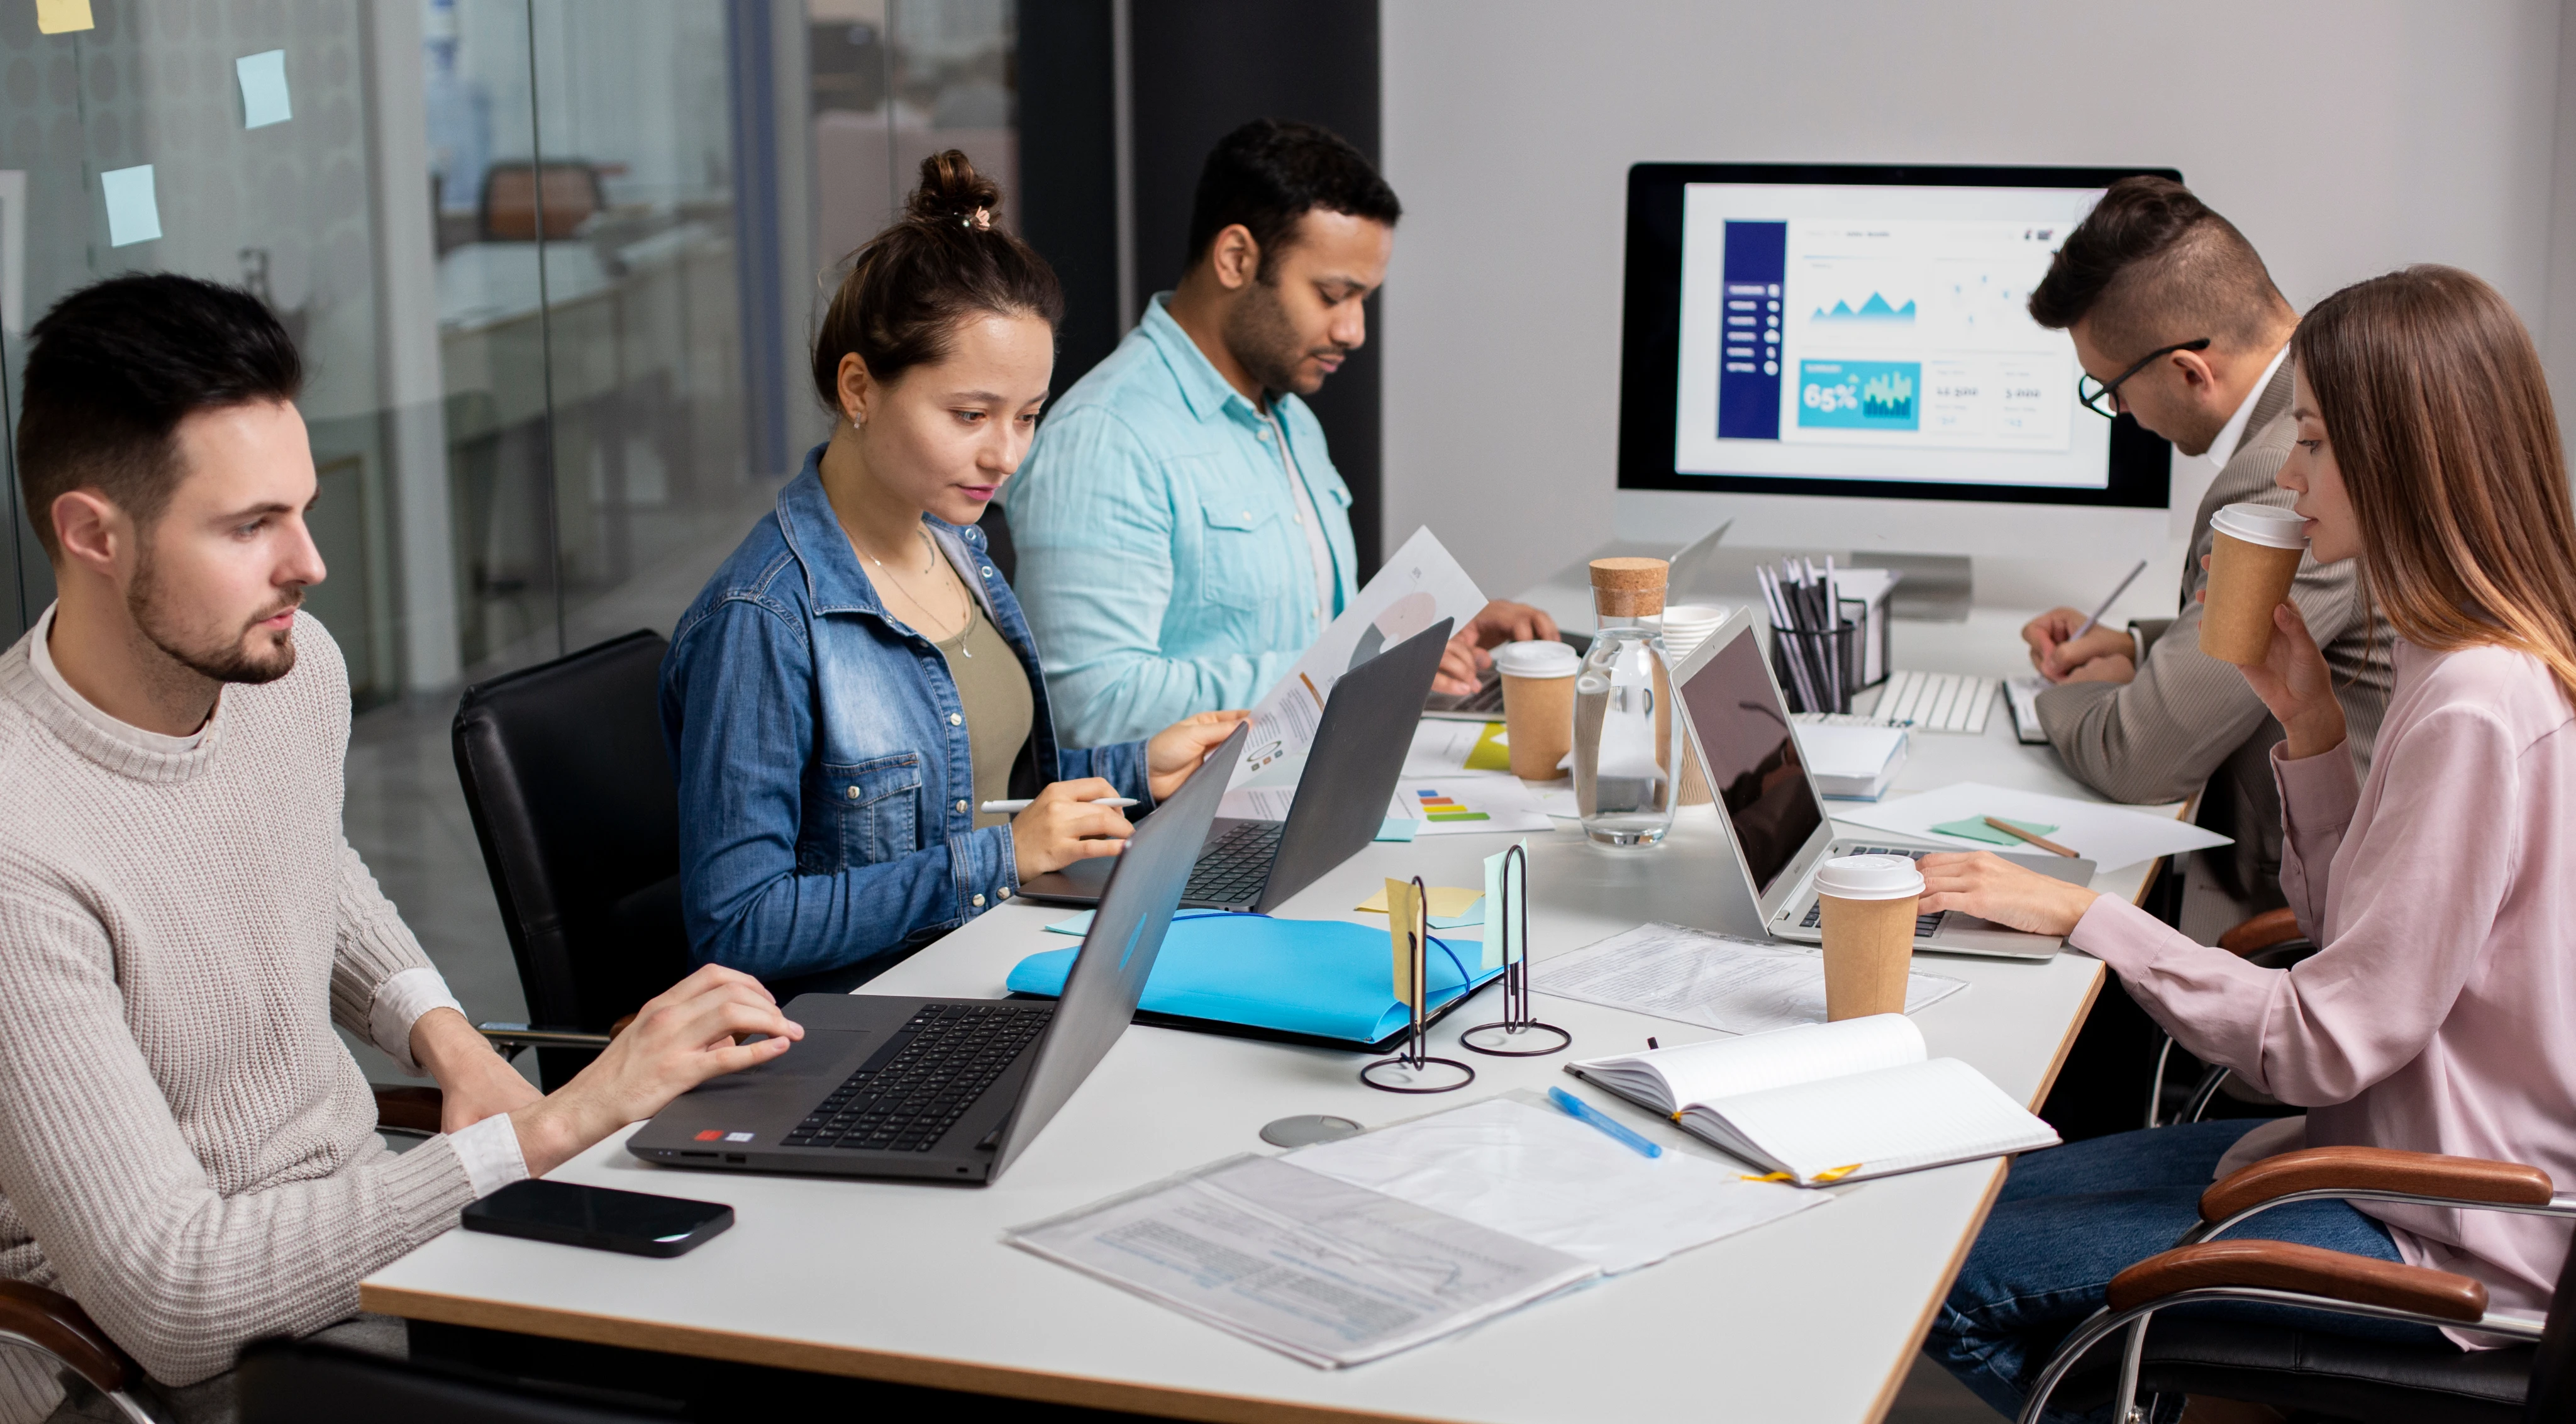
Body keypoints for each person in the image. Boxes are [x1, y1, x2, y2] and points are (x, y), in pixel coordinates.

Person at [0, 274, 802, 1422]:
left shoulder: (286, 669)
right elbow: (175, 1300)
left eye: (303, 506)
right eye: (249, 526)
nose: (309, 562)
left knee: (783, 1334)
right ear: (90, 533)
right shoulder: (18, 840)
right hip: (161, 1375)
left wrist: (449, 1039)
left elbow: (301, 856)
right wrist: (554, 1122)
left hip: (370, 1256)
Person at [1922, 265, 2576, 1419]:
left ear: (2404, 456)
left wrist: (2081, 913)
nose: (2289, 473)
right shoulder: (2460, 655)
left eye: (2316, 441)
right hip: (2384, 1155)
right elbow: (2354, 952)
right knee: (1946, 1209)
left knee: (1937, 1267)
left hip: (2438, 1221)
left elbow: (2327, 1037)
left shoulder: (2477, 699)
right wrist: (2313, 730)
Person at [660, 153, 1244, 992]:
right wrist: (998, 860)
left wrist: (1134, 771)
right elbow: (740, 927)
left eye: (1028, 417)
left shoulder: (956, 545)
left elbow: (975, 788)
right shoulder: (764, 619)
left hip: (989, 966)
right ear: (858, 387)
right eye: (970, 415)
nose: (1004, 454)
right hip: (865, 1031)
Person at [1004, 118, 1557, 746]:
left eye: (1363, 299)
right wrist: (1357, 668)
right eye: (1331, 295)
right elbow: (1092, 707)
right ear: (1236, 259)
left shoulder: (1288, 415)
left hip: (1306, 786)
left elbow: (1302, 632)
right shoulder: (1106, 438)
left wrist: (1427, 636)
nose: (1354, 331)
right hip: (1189, 831)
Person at [2019, 177, 2391, 910]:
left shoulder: (2286, 474)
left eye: (2109, 391)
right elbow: (2304, 631)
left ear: (2190, 372)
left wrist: (2051, 697)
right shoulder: (2323, 397)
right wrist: (2140, 647)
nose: (2119, 413)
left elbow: (2140, 756)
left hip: (2318, 893)